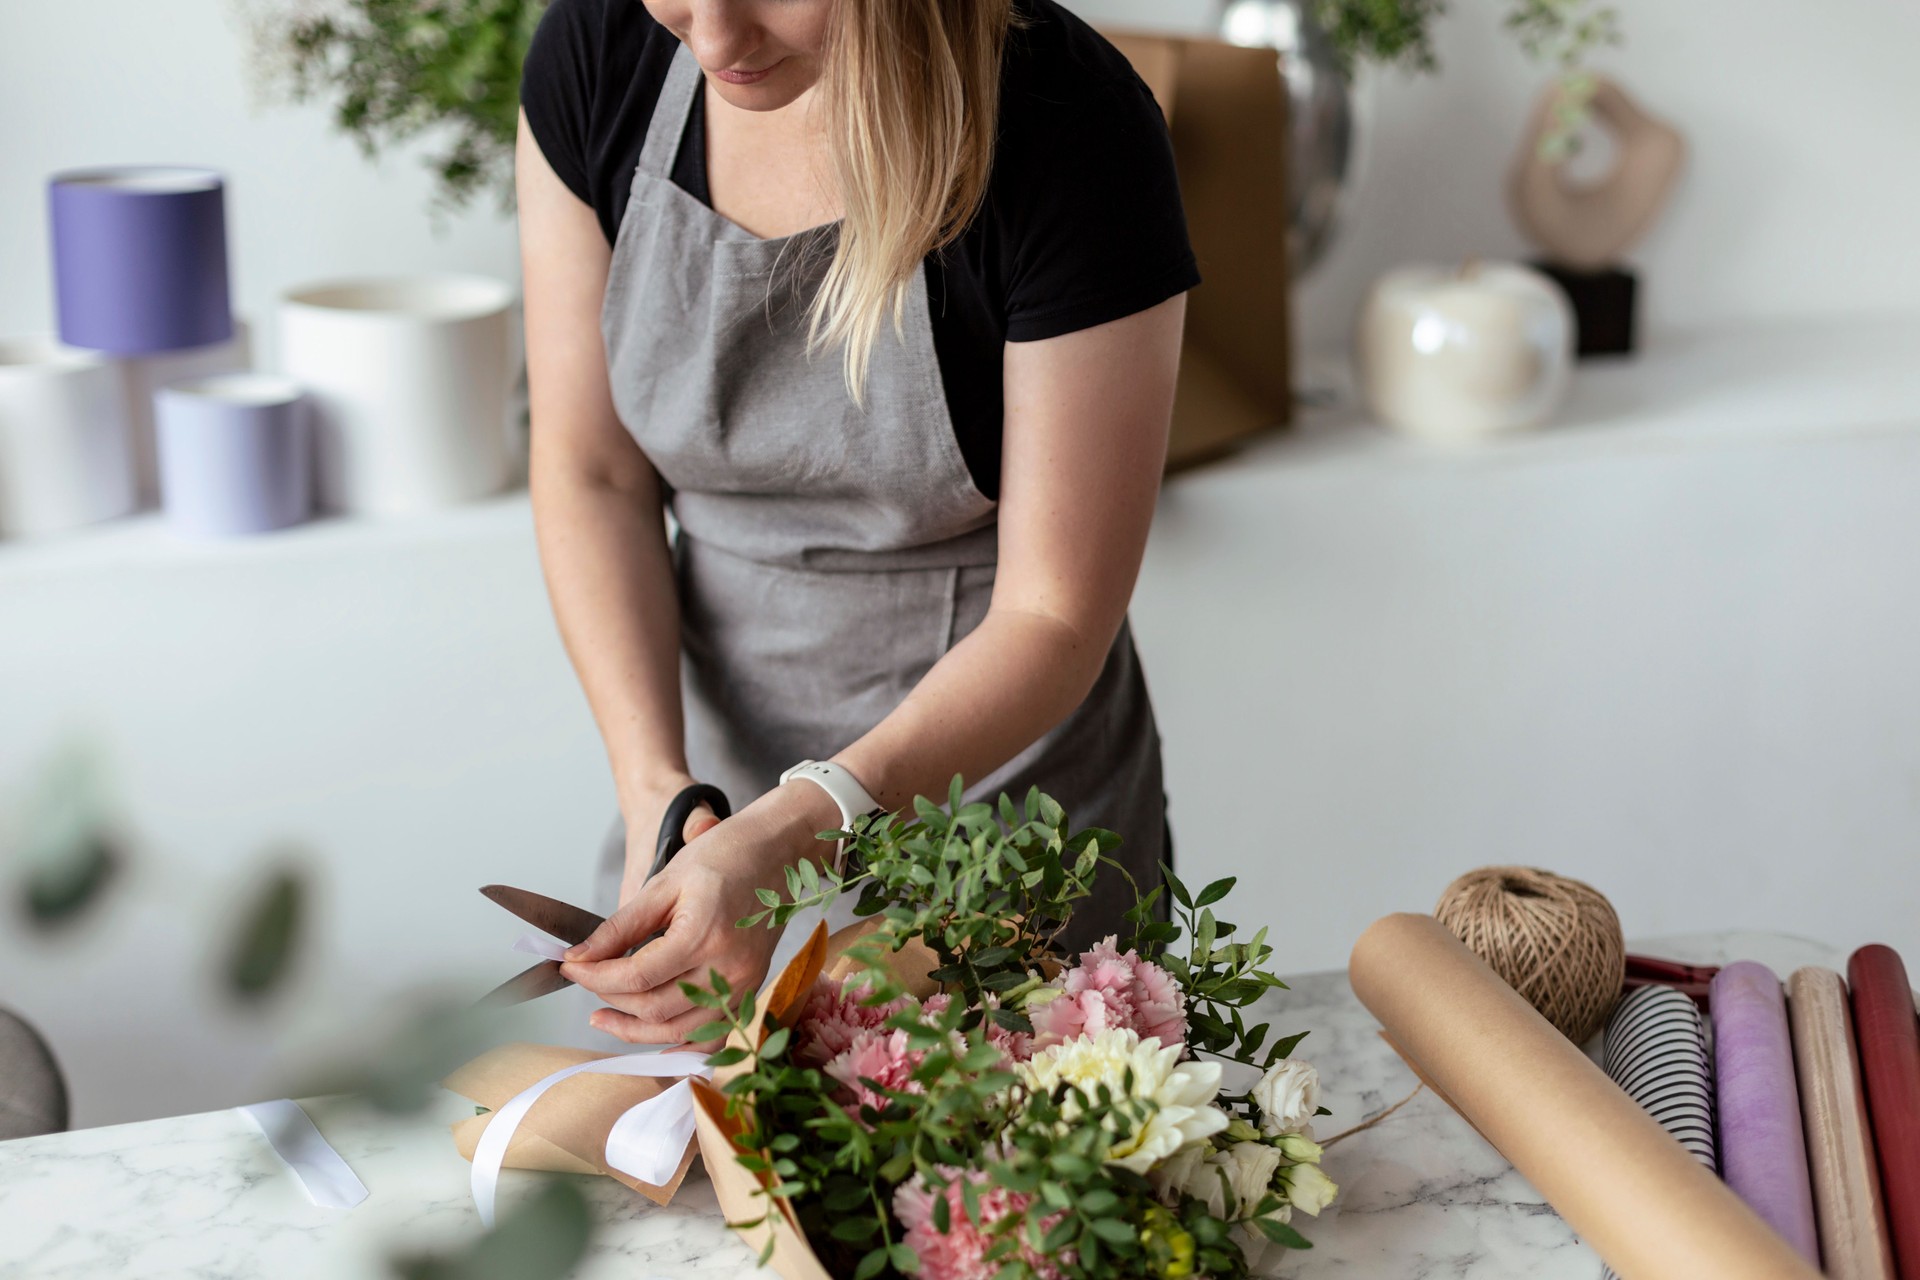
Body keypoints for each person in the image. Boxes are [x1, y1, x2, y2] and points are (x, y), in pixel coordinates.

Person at [515, 0, 1197, 1045]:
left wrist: (796, 829)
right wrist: (662, 792)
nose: (714, 39)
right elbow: (592, 470)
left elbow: (1054, 614)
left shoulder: (1076, 128)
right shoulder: (600, 51)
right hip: (713, 779)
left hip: (1001, 807)